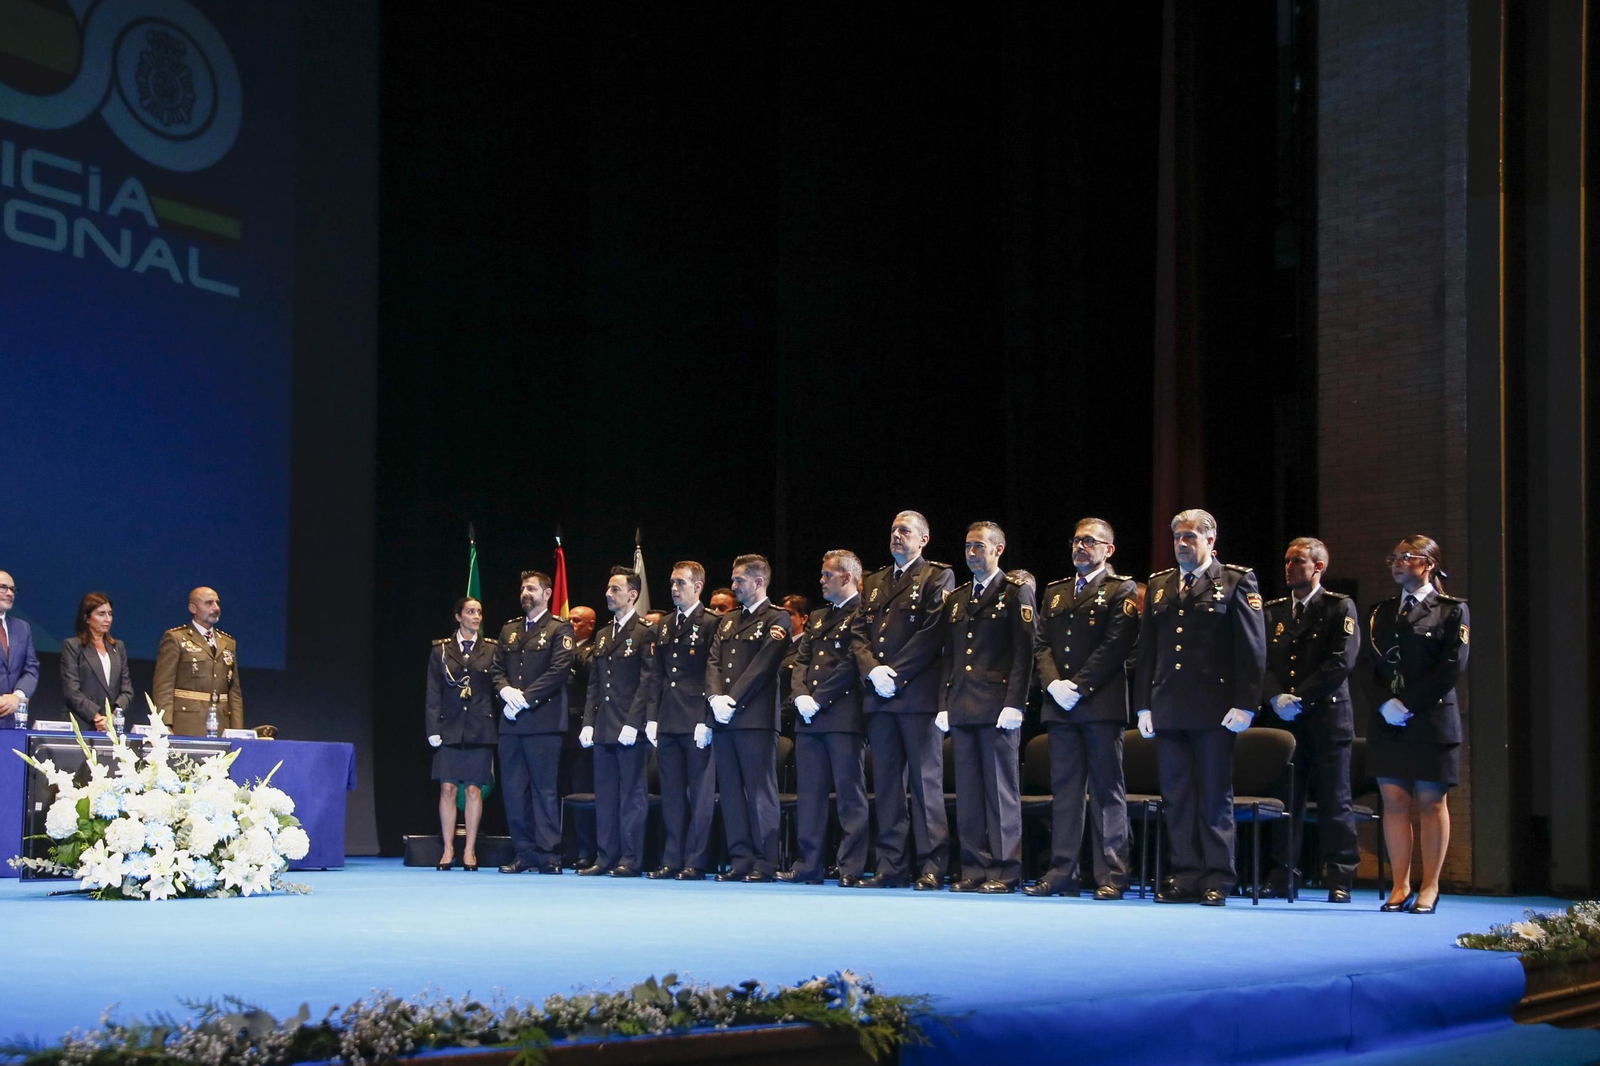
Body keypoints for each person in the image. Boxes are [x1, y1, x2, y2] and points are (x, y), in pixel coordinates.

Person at [1133, 509, 1267, 906]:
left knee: (1213, 795)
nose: (1182, 543)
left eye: (1191, 536)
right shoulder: (1159, 586)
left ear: (1211, 541)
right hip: (1169, 707)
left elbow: (1253, 649)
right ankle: (1185, 874)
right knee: (1177, 796)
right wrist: (1143, 706)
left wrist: (1245, 704)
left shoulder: (1236, 581)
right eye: (1177, 537)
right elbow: (1148, 653)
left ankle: (1218, 876)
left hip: (1215, 709)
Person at [1027, 518, 1140, 900]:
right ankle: (1062, 872)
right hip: (1061, 705)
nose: (1080, 547)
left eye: (1089, 541)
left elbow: (1116, 645)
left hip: (1100, 703)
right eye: (1076, 541)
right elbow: (1041, 644)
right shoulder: (1056, 592)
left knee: (1108, 791)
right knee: (1066, 792)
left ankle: (1112, 873)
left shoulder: (1120, 588)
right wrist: (1054, 683)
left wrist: (1080, 685)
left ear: (1108, 549)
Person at [850, 510, 955, 889]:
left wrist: (895, 673)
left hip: (915, 695)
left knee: (926, 785)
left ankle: (931, 865)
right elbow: (858, 632)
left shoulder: (936, 576)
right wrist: (871, 671)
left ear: (923, 540)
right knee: (889, 785)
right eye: (894, 529)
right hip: (879, 697)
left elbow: (931, 633)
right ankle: (891, 866)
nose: (897, 535)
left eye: (905, 531)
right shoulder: (875, 580)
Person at [1368, 535, 1468, 915]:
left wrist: (1407, 703)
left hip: (1430, 718)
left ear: (1428, 564)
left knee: (1430, 800)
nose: (1396, 563)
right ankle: (1400, 885)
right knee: (1394, 801)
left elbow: (1451, 667)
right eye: (1393, 557)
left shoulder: (1451, 610)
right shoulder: (1380, 611)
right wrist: (1383, 703)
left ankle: (1430, 885)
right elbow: (1366, 665)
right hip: (1387, 720)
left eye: (1406, 557)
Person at [1260, 537, 1360, 903]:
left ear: (1318, 567)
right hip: (1285, 718)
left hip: (1326, 714)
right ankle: (1283, 874)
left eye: (1298, 561)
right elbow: (1262, 661)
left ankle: (1340, 877)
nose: (1289, 567)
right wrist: (1274, 696)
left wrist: (1300, 697)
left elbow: (1341, 661)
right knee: (1287, 800)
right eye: (1287, 561)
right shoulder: (1272, 611)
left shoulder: (1338, 607)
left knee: (1336, 799)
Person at [939, 521, 1035, 893]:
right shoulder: (959, 597)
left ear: (998, 549)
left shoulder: (1015, 592)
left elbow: (1024, 652)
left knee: (999, 792)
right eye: (967, 546)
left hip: (998, 707)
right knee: (970, 793)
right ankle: (974, 868)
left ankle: (1005, 870)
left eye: (979, 546)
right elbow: (949, 655)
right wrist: (943, 702)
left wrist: (1016, 703)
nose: (971, 553)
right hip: (962, 704)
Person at [781, 551, 869, 887]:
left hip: (842, 714)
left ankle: (850, 866)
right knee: (810, 795)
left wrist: (818, 699)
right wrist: (801, 694)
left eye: (827, 575)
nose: (821, 580)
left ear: (846, 577)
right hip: (810, 718)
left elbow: (851, 663)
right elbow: (801, 659)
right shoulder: (817, 617)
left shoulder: (862, 612)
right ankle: (809, 864)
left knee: (850, 796)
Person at [706, 553, 790, 882]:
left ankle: (764, 862)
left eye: (739, 580)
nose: (733, 585)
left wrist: (731, 699)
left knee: (759, 792)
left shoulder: (777, 619)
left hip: (755, 718)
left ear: (758, 582)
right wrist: (714, 698)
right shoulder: (727, 621)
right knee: (729, 792)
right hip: (724, 719)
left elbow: (763, 666)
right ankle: (740, 860)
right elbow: (713, 661)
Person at [492, 571, 576, 874]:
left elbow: (559, 670)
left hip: (544, 721)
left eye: (531, 588)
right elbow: (496, 669)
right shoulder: (509, 629)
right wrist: (505, 691)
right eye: (523, 587)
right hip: (512, 724)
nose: (525, 592)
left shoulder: (559, 628)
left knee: (544, 791)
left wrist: (524, 698)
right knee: (514, 792)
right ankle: (524, 853)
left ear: (547, 593)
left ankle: (549, 854)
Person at [640, 561, 718, 880]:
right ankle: (672, 858)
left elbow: (714, 674)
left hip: (696, 719)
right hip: (669, 719)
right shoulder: (665, 625)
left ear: (698, 586)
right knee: (671, 793)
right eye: (672, 582)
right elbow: (656, 675)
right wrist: (651, 717)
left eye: (681, 583)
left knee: (699, 795)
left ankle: (696, 861)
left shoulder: (712, 623)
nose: (674, 588)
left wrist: (708, 719)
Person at [579, 567, 652, 876]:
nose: (608, 594)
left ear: (632, 595)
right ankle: (606, 856)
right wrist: (588, 722)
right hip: (605, 725)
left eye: (615, 590)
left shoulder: (645, 630)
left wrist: (634, 723)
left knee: (632, 796)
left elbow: (647, 682)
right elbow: (596, 684)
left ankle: (631, 858)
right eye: (608, 589)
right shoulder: (604, 634)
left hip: (629, 728)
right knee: (605, 795)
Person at [424, 596, 498, 871]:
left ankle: (469, 851)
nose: (476, 617)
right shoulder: (441, 650)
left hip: (480, 727)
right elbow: (433, 693)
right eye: (470, 612)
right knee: (447, 788)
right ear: (458, 617)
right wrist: (432, 728)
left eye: (479, 612)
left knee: (474, 790)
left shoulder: (491, 649)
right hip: (449, 726)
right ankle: (447, 849)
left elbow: (497, 687)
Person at [152, 587, 243, 735]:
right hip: (187, 723)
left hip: (221, 723)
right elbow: (164, 685)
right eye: (209, 603)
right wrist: (165, 724)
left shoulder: (228, 642)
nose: (216, 608)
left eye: (217, 603)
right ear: (193, 608)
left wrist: (237, 729)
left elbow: (234, 690)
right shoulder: (176, 638)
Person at [59, 592, 134, 731]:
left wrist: (112, 717)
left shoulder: (118, 647)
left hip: (112, 726)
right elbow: (72, 691)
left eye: (110, 614)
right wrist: (97, 717)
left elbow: (127, 690)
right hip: (82, 724)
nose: (107, 619)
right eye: (101, 614)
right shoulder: (72, 646)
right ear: (87, 618)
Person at [561, 604, 599, 868]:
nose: (570, 624)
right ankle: (562, 848)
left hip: (579, 727)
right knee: (558, 791)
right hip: (556, 726)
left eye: (576, 621)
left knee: (582, 791)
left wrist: (569, 648)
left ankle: (586, 850)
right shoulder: (557, 649)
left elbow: (591, 672)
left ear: (590, 625)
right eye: (569, 620)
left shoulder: (594, 648)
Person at [0, 571, 39, 726]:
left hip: (12, 720)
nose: (10, 593)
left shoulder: (22, 628)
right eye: (3, 587)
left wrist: (17, 696)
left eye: (13, 589)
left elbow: (31, 668)